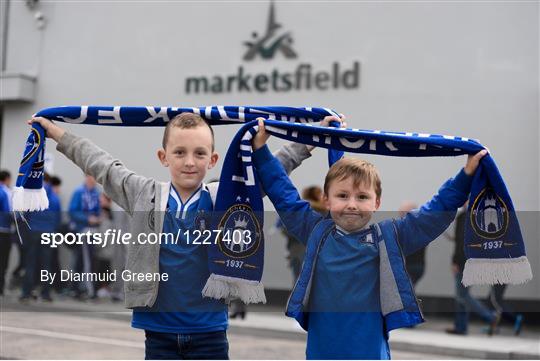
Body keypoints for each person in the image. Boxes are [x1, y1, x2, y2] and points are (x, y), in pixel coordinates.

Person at [29, 112, 343, 359]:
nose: (189, 161)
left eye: (199, 153)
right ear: (163, 157)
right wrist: (56, 131)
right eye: (179, 152)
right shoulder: (145, 194)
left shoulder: (226, 196)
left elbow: (271, 170)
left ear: (213, 159)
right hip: (158, 332)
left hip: (210, 332)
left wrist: (312, 138)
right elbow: (101, 165)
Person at [251, 118, 487, 360]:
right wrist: (261, 152)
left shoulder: (389, 238)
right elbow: (282, 194)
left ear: (377, 203)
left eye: (362, 196)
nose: (352, 204)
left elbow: (434, 214)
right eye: (342, 195)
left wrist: (466, 175)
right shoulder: (314, 232)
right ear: (326, 200)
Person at [445, 206, 500, 336]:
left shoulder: (465, 216)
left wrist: (455, 261)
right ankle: (460, 327)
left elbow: (461, 242)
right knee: (461, 295)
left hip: (464, 261)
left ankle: (490, 316)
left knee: (462, 295)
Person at [20, 173, 62, 302]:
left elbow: (26, 214)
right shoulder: (55, 198)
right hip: (48, 233)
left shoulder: (34, 195)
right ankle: (46, 294)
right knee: (46, 265)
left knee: (30, 264)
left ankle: (26, 293)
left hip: (33, 231)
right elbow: (58, 218)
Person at [68, 174, 101, 299]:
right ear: (87, 177)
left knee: (86, 260)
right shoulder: (79, 192)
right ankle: (88, 290)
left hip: (93, 231)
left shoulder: (96, 193)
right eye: (91, 177)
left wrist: (98, 217)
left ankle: (78, 289)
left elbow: (97, 210)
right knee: (85, 261)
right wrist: (87, 219)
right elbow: (72, 211)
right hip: (83, 230)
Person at [399, 202, 425, 287]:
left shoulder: (406, 227)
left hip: (410, 265)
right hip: (416, 265)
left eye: (403, 213)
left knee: (406, 292)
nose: (401, 215)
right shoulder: (421, 227)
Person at [0, 170, 12, 296]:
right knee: (3, 262)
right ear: (7, 179)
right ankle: (1, 288)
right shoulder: (6, 192)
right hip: (4, 231)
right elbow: (10, 213)